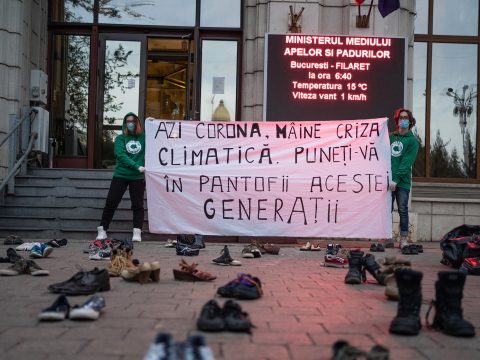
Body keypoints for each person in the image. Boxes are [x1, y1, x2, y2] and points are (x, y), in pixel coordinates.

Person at [96, 112, 146, 242]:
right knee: (111, 202)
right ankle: (102, 230)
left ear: (137, 123)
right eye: (127, 121)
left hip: (137, 177)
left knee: (138, 205)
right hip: (121, 174)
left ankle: (137, 231)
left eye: (133, 121)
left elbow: (158, 140)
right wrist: (136, 166)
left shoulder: (144, 138)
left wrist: (152, 124)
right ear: (124, 124)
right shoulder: (120, 139)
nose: (130, 124)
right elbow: (121, 155)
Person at [388, 108, 419, 250]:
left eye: (406, 118)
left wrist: (396, 179)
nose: (403, 120)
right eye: (401, 118)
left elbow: (406, 163)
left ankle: (404, 239)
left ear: (410, 121)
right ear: (397, 120)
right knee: (385, 210)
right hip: (388, 181)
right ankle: (386, 237)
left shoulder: (412, 141)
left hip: (402, 182)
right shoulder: (391, 137)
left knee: (402, 210)